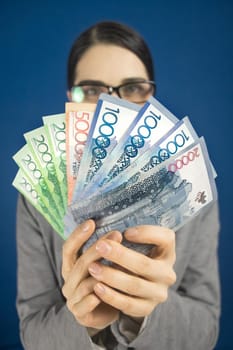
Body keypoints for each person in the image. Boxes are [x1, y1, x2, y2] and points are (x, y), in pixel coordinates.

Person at [16, 21, 221, 350]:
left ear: (151, 95)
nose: (113, 106)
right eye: (93, 90)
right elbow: (33, 334)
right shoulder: (37, 198)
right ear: (71, 99)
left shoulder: (192, 190)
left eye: (133, 88)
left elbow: (206, 331)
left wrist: (143, 310)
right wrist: (83, 321)